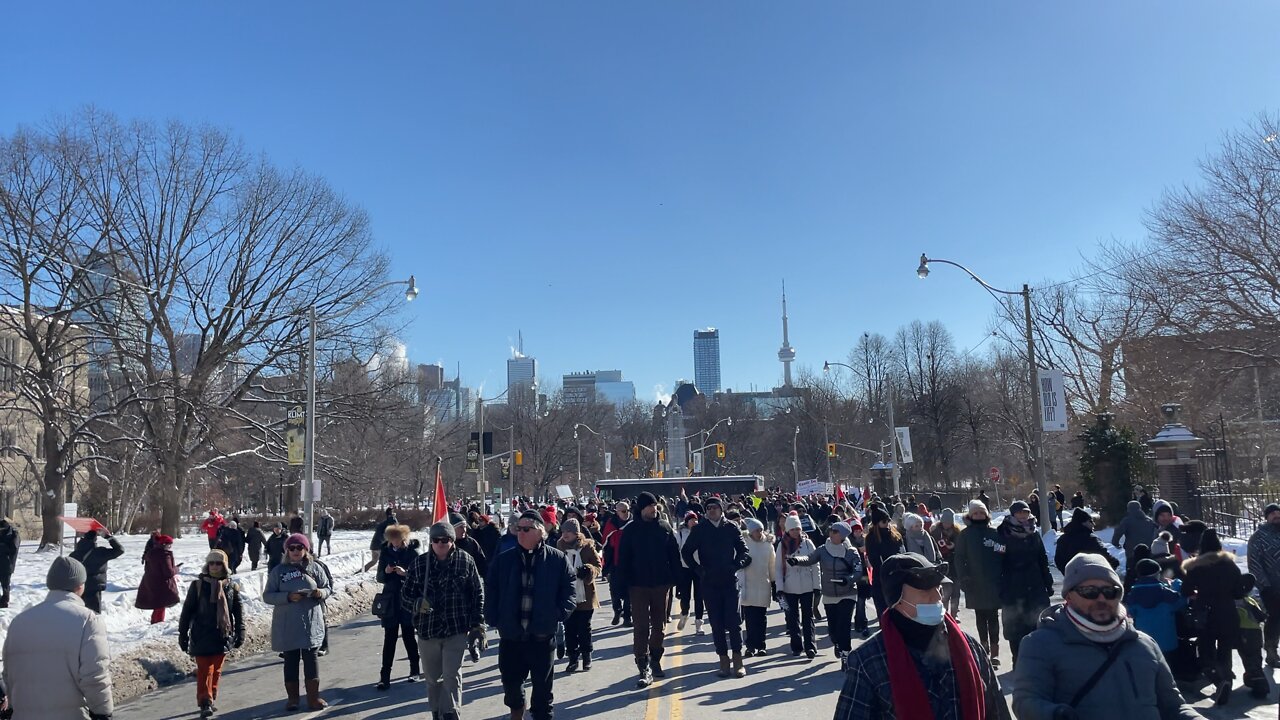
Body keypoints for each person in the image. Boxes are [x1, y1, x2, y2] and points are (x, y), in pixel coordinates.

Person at [1012, 553, 1204, 720]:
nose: (1101, 599)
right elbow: (1025, 702)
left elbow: (1173, 706)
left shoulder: (1144, 644)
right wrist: (1054, 713)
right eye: (1089, 592)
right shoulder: (1040, 644)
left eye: (1110, 591)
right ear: (1068, 597)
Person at [833, 552, 1009, 720]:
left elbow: (997, 711)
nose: (937, 597)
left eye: (938, 588)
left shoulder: (969, 647)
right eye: (926, 591)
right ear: (897, 599)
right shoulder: (869, 660)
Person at [485, 510, 575, 720]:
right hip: (512, 635)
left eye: (526, 528)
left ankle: (541, 714)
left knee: (543, 692)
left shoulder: (556, 559)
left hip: (542, 636)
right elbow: (492, 588)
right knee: (511, 684)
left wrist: (559, 612)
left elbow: (569, 588)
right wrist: (493, 616)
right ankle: (517, 709)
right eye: (518, 528)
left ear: (540, 532)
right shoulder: (504, 560)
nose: (521, 532)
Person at [1, 556, 114, 720]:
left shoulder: (20, 621)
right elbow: (95, 676)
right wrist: (103, 713)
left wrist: (12, 707)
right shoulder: (87, 620)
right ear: (80, 585)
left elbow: (9, 674)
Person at [404, 521, 483, 720]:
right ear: (430, 542)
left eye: (445, 540)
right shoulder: (420, 564)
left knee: (451, 675)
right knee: (432, 678)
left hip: (455, 628)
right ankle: (436, 712)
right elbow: (404, 596)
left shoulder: (465, 561)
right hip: (427, 630)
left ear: (452, 540)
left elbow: (477, 593)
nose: (440, 544)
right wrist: (416, 604)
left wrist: (477, 624)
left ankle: (450, 713)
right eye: (436, 540)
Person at [681, 496, 752, 678]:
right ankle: (723, 659)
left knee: (734, 621)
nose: (712, 510)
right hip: (709, 582)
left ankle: (738, 659)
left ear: (721, 509)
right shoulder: (700, 530)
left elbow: (744, 550)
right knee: (716, 623)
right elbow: (686, 552)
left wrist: (736, 565)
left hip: (729, 581)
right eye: (709, 507)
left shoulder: (731, 527)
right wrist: (698, 569)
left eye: (715, 507)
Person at [619, 492, 682, 687]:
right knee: (641, 627)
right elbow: (623, 560)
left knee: (659, 625)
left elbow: (674, 556)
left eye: (655, 506)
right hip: (638, 585)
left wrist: (678, 582)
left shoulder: (664, 528)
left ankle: (655, 657)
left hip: (661, 585)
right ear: (641, 508)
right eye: (649, 506)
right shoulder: (630, 531)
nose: (653, 509)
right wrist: (622, 587)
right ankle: (642, 664)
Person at [264, 533, 332, 711]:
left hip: (310, 622)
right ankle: (293, 699)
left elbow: (328, 588)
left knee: (311, 660)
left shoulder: (315, 567)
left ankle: (313, 698)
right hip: (287, 624)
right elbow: (268, 596)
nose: (295, 551)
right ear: (287, 550)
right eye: (291, 548)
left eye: (299, 547)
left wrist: (320, 593)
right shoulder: (278, 571)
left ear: (306, 549)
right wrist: (287, 597)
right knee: (291, 661)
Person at [178, 550, 245, 719]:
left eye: (218, 563)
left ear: (224, 565)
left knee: (216, 670)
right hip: (201, 634)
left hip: (222, 634)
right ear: (207, 565)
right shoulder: (197, 586)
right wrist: (182, 633)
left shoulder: (231, 586)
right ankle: (205, 701)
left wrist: (240, 631)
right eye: (211, 563)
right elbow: (187, 611)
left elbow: (237, 611)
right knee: (204, 669)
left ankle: (211, 696)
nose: (214, 566)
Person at [1181, 528, 1241, 704]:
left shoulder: (1197, 567)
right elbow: (1239, 591)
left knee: (1206, 652)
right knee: (1225, 650)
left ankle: (1219, 679)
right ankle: (1227, 682)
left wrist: (1196, 594)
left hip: (1205, 613)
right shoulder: (1231, 566)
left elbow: (1185, 590)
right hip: (1228, 612)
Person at [788, 520, 863, 661]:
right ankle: (838, 644)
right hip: (829, 594)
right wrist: (796, 560)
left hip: (848, 593)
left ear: (842, 535)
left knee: (844, 625)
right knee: (833, 630)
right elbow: (810, 558)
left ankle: (846, 654)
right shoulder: (823, 549)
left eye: (835, 531)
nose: (831, 533)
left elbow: (858, 571)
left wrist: (848, 579)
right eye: (831, 530)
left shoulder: (851, 552)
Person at [997, 501, 1053, 667]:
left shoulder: (1033, 532)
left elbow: (1042, 558)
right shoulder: (1003, 532)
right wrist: (1001, 585)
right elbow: (998, 561)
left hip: (1035, 585)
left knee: (1038, 623)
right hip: (1013, 586)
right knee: (1016, 625)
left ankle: (1038, 660)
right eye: (1019, 513)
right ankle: (1018, 659)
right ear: (1013, 514)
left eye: (1025, 512)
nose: (1023, 516)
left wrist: (1047, 581)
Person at [954, 500, 1004, 668]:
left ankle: (995, 652)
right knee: (980, 616)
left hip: (994, 582)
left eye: (981, 513)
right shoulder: (965, 535)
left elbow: (1002, 553)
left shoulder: (994, 533)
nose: (979, 515)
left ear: (986, 514)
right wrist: (964, 577)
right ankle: (984, 647)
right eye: (975, 513)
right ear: (970, 515)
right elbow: (959, 558)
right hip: (974, 583)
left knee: (993, 617)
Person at [375, 523, 421, 689]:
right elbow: (379, 577)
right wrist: (386, 572)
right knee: (389, 638)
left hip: (407, 599)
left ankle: (415, 670)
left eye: (397, 540)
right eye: (392, 540)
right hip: (390, 600)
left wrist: (405, 573)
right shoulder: (386, 553)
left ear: (403, 539)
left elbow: (420, 576)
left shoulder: (413, 553)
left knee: (409, 636)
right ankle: (384, 675)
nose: (394, 543)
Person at [555, 517, 601, 672]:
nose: (565, 534)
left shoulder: (587, 547)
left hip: (585, 595)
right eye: (563, 531)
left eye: (568, 531)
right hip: (567, 595)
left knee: (584, 628)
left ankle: (587, 656)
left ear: (576, 533)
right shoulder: (559, 547)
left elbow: (597, 565)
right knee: (570, 629)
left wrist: (588, 570)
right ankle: (573, 658)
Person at [776, 513, 821, 659]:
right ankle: (796, 646)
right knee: (792, 617)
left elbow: (815, 565)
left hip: (807, 586)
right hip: (789, 586)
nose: (796, 532)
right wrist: (779, 588)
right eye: (793, 529)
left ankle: (810, 646)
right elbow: (777, 568)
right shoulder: (782, 545)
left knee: (808, 617)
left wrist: (817, 585)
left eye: (798, 529)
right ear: (788, 530)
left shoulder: (808, 543)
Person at [1126, 557, 1185, 657]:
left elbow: (1131, 613)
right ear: (1156, 574)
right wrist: (1177, 585)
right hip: (1167, 642)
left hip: (1145, 643)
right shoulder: (1167, 594)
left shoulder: (1133, 595)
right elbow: (1180, 603)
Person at [1246, 501, 1280, 667]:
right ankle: (1271, 650)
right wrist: (1264, 585)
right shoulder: (1258, 537)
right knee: (1274, 618)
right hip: (1271, 586)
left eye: (1278, 512)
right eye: (1272, 513)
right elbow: (1254, 564)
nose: (1276, 515)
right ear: (1267, 517)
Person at [739, 518, 774, 657]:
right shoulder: (745, 543)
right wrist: (741, 563)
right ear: (751, 532)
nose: (759, 533)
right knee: (749, 617)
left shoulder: (768, 545)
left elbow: (772, 565)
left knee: (761, 617)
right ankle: (750, 646)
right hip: (748, 584)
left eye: (760, 530)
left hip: (763, 584)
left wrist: (775, 582)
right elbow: (737, 558)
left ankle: (761, 645)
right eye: (755, 530)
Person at [71, 527, 125, 614]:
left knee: (79, 614)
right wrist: (109, 537)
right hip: (94, 588)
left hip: (78, 587)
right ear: (95, 539)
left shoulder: (74, 554)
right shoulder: (100, 552)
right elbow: (120, 550)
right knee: (93, 615)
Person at [864, 506, 905, 617]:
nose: (887, 523)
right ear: (877, 523)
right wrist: (887, 570)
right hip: (881, 578)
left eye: (888, 520)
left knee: (898, 614)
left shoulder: (895, 535)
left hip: (898, 576)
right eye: (884, 521)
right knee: (884, 613)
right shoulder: (871, 538)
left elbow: (903, 551)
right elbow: (874, 560)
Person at [1234, 573, 1270, 699]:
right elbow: (1261, 615)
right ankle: (1254, 681)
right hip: (1256, 632)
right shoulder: (1251, 600)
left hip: (1245, 632)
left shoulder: (1237, 601)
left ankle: (1260, 686)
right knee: (1255, 659)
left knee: (1249, 659)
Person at [1054, 508, 1119, 574]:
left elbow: (1058, 560)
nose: (1093, 524)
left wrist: (1068, 573)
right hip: (1090, 578)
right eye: (1090, 521)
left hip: (1071, 579)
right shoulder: (1091, 539)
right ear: (1083, 523)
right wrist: (1114, 563)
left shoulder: (1063, 539)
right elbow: (1104, 555)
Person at [136, 533, 180, 624]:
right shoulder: (164, 555)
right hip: (162, 584)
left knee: (157, 605)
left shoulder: (151, 553)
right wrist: (176, 569)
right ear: (164, 544)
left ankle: (154, 622)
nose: (170, 547)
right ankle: (158, 624)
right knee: (161, 605)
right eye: (169, 545)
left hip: (150, 581)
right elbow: (168, 573)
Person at [601, 501, 632, 627]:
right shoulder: (611, 524)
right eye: (623, 511)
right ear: (617, 512)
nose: (626, 513)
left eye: (627, 510)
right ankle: (617, 611)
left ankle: (627, 617)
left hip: (630, 563)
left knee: (629, 591)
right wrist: (606, 566)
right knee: (614, 590)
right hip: (614, 563)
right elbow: (605, 544)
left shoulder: (633, 524)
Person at [674, 511, 705, 633]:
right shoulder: (681, 533)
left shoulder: (702, 533)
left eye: (695, 519)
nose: (694, 521)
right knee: (685, 595)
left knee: (699, 596)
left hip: (699, 568)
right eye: (691, 519)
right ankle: (684, 614)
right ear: (686, 521)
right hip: (685, 568)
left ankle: (699, 623)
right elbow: (677, 550)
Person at [930, 508, 962, 618]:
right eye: (945, 522)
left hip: (955, 564)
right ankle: (944, 614)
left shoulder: (957, 532)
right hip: (942, 564)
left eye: (949, 522)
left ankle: (954, 613)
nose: (947, 525)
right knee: (945, 591)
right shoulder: (935, 532)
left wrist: (954, 547)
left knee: (956, 591)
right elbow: (933, 547)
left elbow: (962, 547)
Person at [1112, 500, 1157, 567]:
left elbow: (1118, 533)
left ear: (1128, 509)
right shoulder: (1149, 521)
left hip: (1132, 552)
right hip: (1148, 551)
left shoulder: (1127, 521)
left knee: (1132, 571)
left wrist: (1115, 542)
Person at [365, 508, 397, 572]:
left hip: (374, 544)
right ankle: (384, 574)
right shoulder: (392, 521)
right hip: (381, 545)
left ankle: (362, 571)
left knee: (374, 561)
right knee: (388, 559)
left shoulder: (383, 523)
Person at [0, 517, 18, 608]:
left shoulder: (12, 534)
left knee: (5, 584)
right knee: (5, 584)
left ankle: (4, 601)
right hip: (6, 563)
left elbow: (13, 549)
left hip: (7, 563)